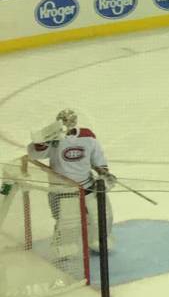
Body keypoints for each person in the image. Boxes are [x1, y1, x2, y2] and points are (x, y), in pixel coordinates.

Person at [22, 112, 108, 265]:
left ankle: (98, 241)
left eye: (69, 120)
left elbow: (97, 156)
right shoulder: (53, 138)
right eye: (64, 120)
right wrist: (41, 142)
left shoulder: (87, 136)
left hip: (88, 185)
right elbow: (34, 154)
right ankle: (64, 250)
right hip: (62, 189)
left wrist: (103, 171)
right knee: (68, 222)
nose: (67, 123)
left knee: (103, 215)